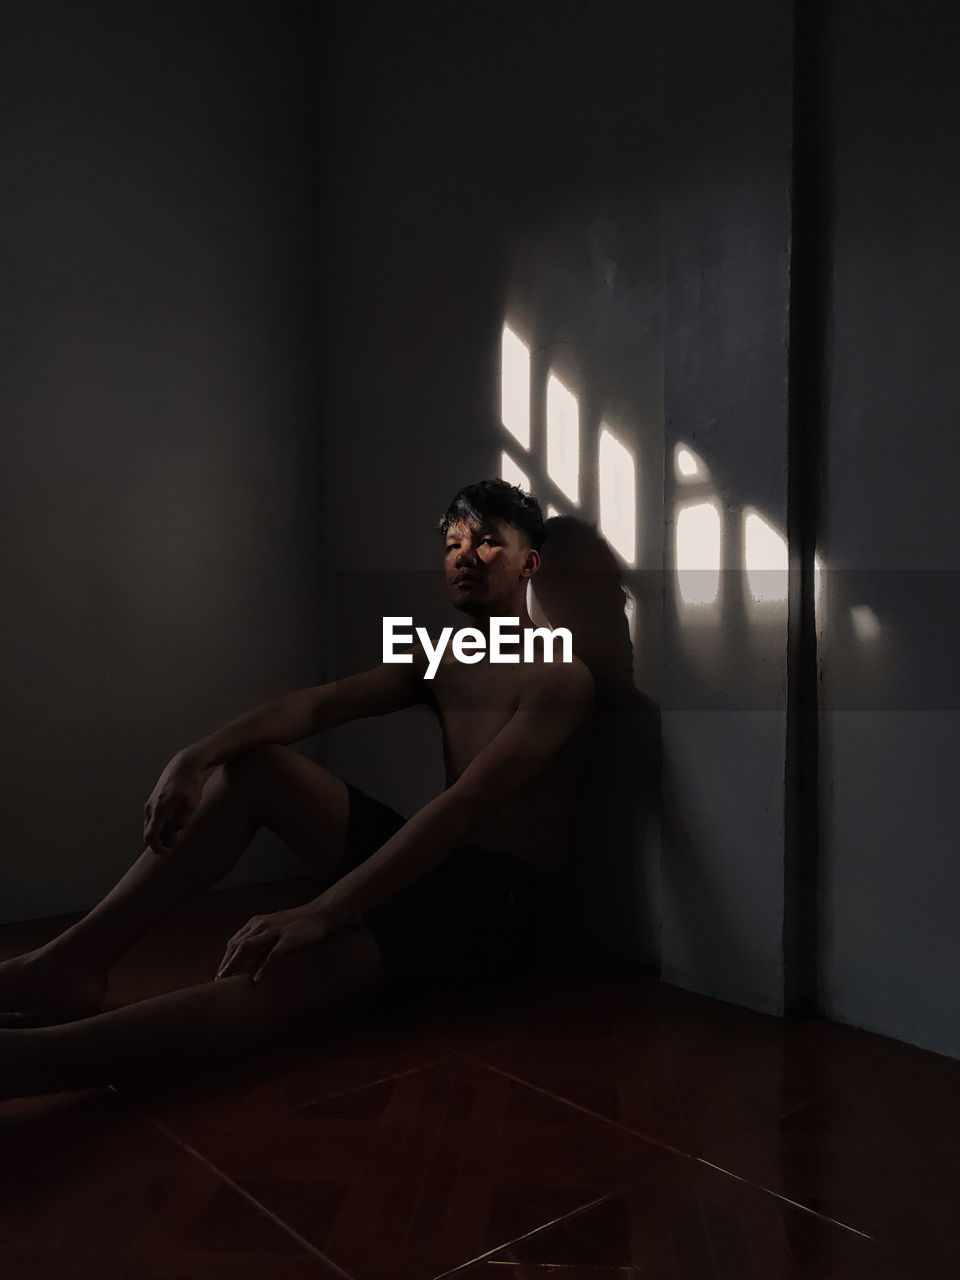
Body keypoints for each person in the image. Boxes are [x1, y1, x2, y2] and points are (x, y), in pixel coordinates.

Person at [0, 479, 595, 1098]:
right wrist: (195, 757)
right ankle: (67, 967)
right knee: (255, 767)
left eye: (488, 542)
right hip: (437, 866)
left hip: (497, 908)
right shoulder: (442, 654)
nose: (464, 556)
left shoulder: (562, 679)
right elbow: (316, 707)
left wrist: (322, 910)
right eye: (453, 543)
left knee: (280, 966)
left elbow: (465, 806)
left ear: (530, 563)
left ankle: (25, 1063)